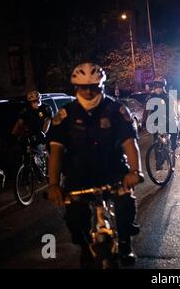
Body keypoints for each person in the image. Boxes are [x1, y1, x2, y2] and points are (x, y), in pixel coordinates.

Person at [46, 63, 144, 267]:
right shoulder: (65, 114)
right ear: (76, 88)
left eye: (94, 87)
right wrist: (54, 184)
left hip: (113, 171)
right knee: (74, 218)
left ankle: (125, 242)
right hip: (78, 174)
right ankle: (84, 247)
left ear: (102, 86)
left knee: (125, 202)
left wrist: (135, 171)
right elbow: (56, 150)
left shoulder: (117, 110)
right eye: (83, 87)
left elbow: (129, 143)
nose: (89, 92)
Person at [143, 78, 179, 153]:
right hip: (155, 121)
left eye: (160, 86)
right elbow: (146, 110)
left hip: (168, 119)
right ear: (154, 86)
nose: (158, 88)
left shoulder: (168, 96)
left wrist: (172, 118)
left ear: (164, 86)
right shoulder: (150, 97)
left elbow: (172, 110)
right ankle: (158, 159)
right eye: (156, 86)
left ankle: (173, 145)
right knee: (156, 141)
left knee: (174, 128)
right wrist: (144, 121)